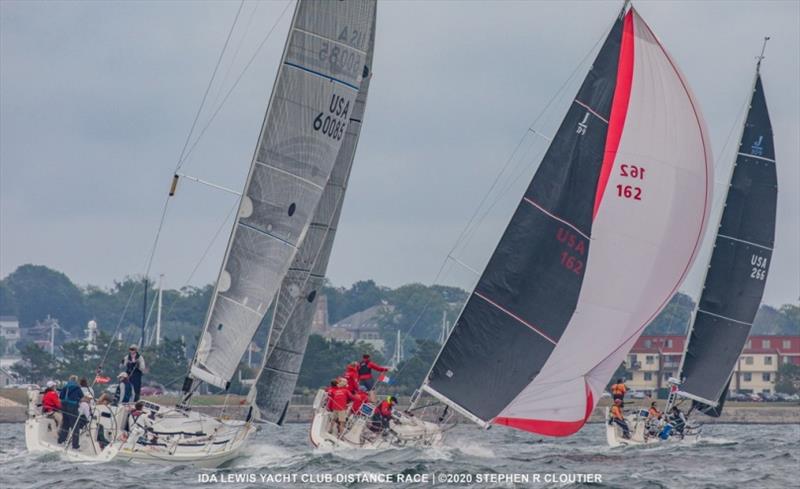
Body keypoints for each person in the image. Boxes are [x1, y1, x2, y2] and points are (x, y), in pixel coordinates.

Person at [57, 375, 83, 444]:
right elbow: (81, 396)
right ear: (76, 380)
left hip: (64, 407)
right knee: (75, 426)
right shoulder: (77, 388)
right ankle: (75, 445)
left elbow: (61, 396)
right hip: (73, 408)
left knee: (65, 424)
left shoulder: (65, 387)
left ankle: (61, 441)